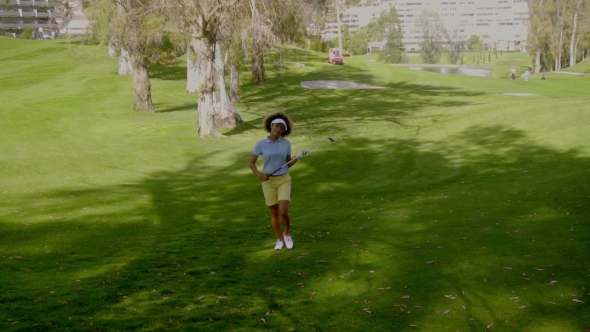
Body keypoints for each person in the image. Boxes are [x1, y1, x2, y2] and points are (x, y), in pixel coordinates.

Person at [249, 112, 308, 251]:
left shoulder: (286, 143)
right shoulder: (261, 144)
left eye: (282, 128)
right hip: (268, 181)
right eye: (277, 126)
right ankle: (279, 240)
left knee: (283, 211)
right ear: (271, 126)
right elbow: (251, 163)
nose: (279, 129)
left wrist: (297, 157)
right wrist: (260, 175)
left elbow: (288, 163)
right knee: (274, 212)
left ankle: (286, 234)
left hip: (284, 179)